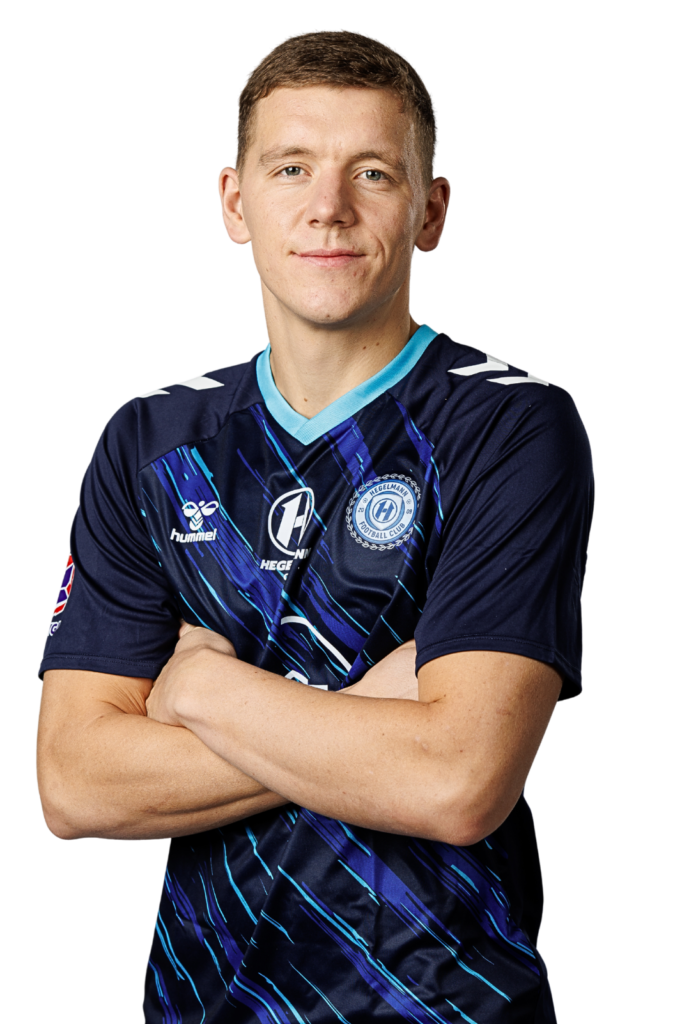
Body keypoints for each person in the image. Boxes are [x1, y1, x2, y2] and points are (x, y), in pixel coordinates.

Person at [35, 29, 594, 1023]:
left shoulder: (509, 423)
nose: (328, 207)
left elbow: (456, 780)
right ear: (234, 203)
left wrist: (199, 689)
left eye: (371, 172)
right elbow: (75, 784)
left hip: (443, 1004)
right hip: (197, 1003)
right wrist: (370, 711)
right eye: (291, 167)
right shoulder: (151, 438)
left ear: (431, 211)